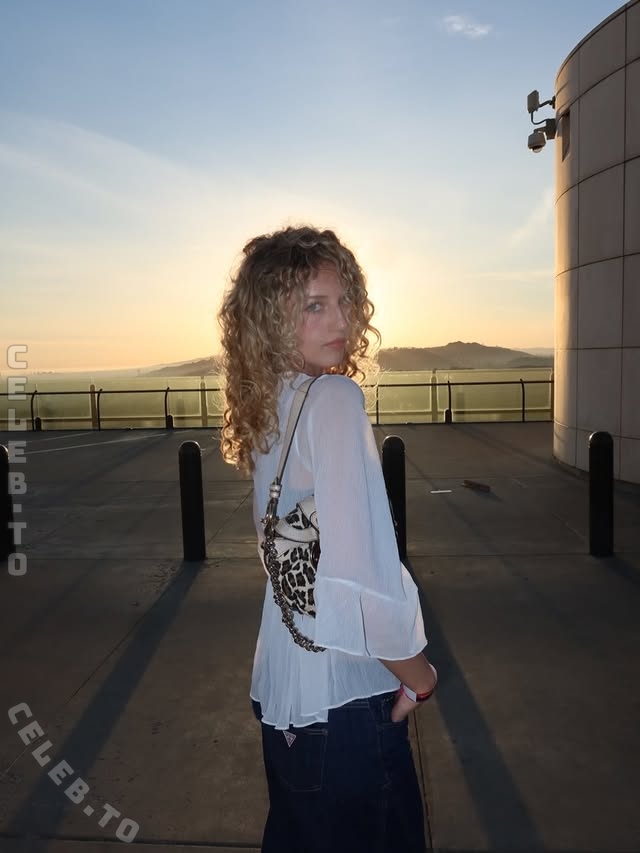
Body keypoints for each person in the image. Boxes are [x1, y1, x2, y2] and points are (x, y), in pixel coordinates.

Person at [218, 225, 437, 853]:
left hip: (285, 689)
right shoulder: (334, 397)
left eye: (344, 301)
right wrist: (418, 675)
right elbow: (358, 577)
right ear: (269, 321)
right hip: (347, 701)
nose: (340, 320)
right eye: (314, 305)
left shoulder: (271, 406)